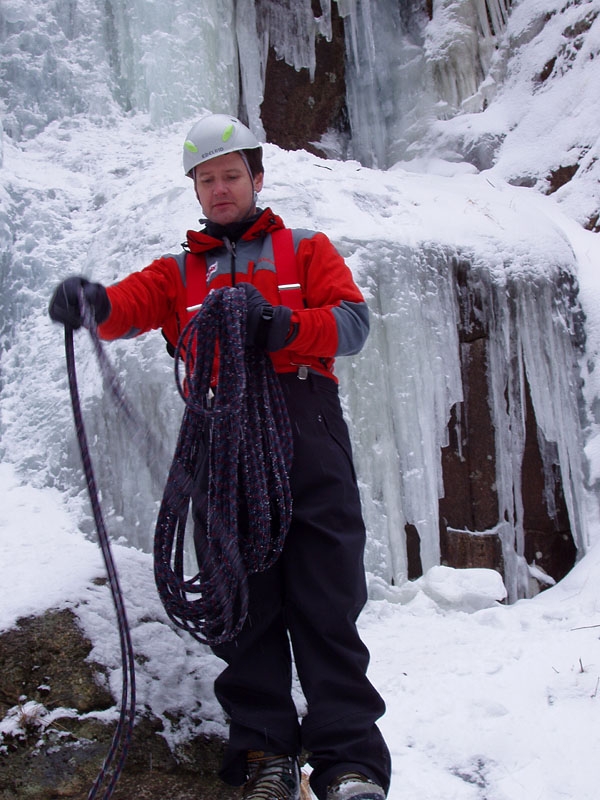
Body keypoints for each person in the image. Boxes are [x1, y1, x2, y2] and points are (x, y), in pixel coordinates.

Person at [49, 113, 391, 800]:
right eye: (207, 179)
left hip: (307, 427)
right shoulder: (178, 273)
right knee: (243, 604)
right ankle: (266, 757)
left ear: (256, 179)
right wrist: (88, 302)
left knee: (327, 601)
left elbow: (351, 325)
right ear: (196, 191)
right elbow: (124, 308)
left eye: (231, 175)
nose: (220, 188)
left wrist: (283, 323)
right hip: (221, 440)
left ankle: (348, 763)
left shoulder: (305, 249)